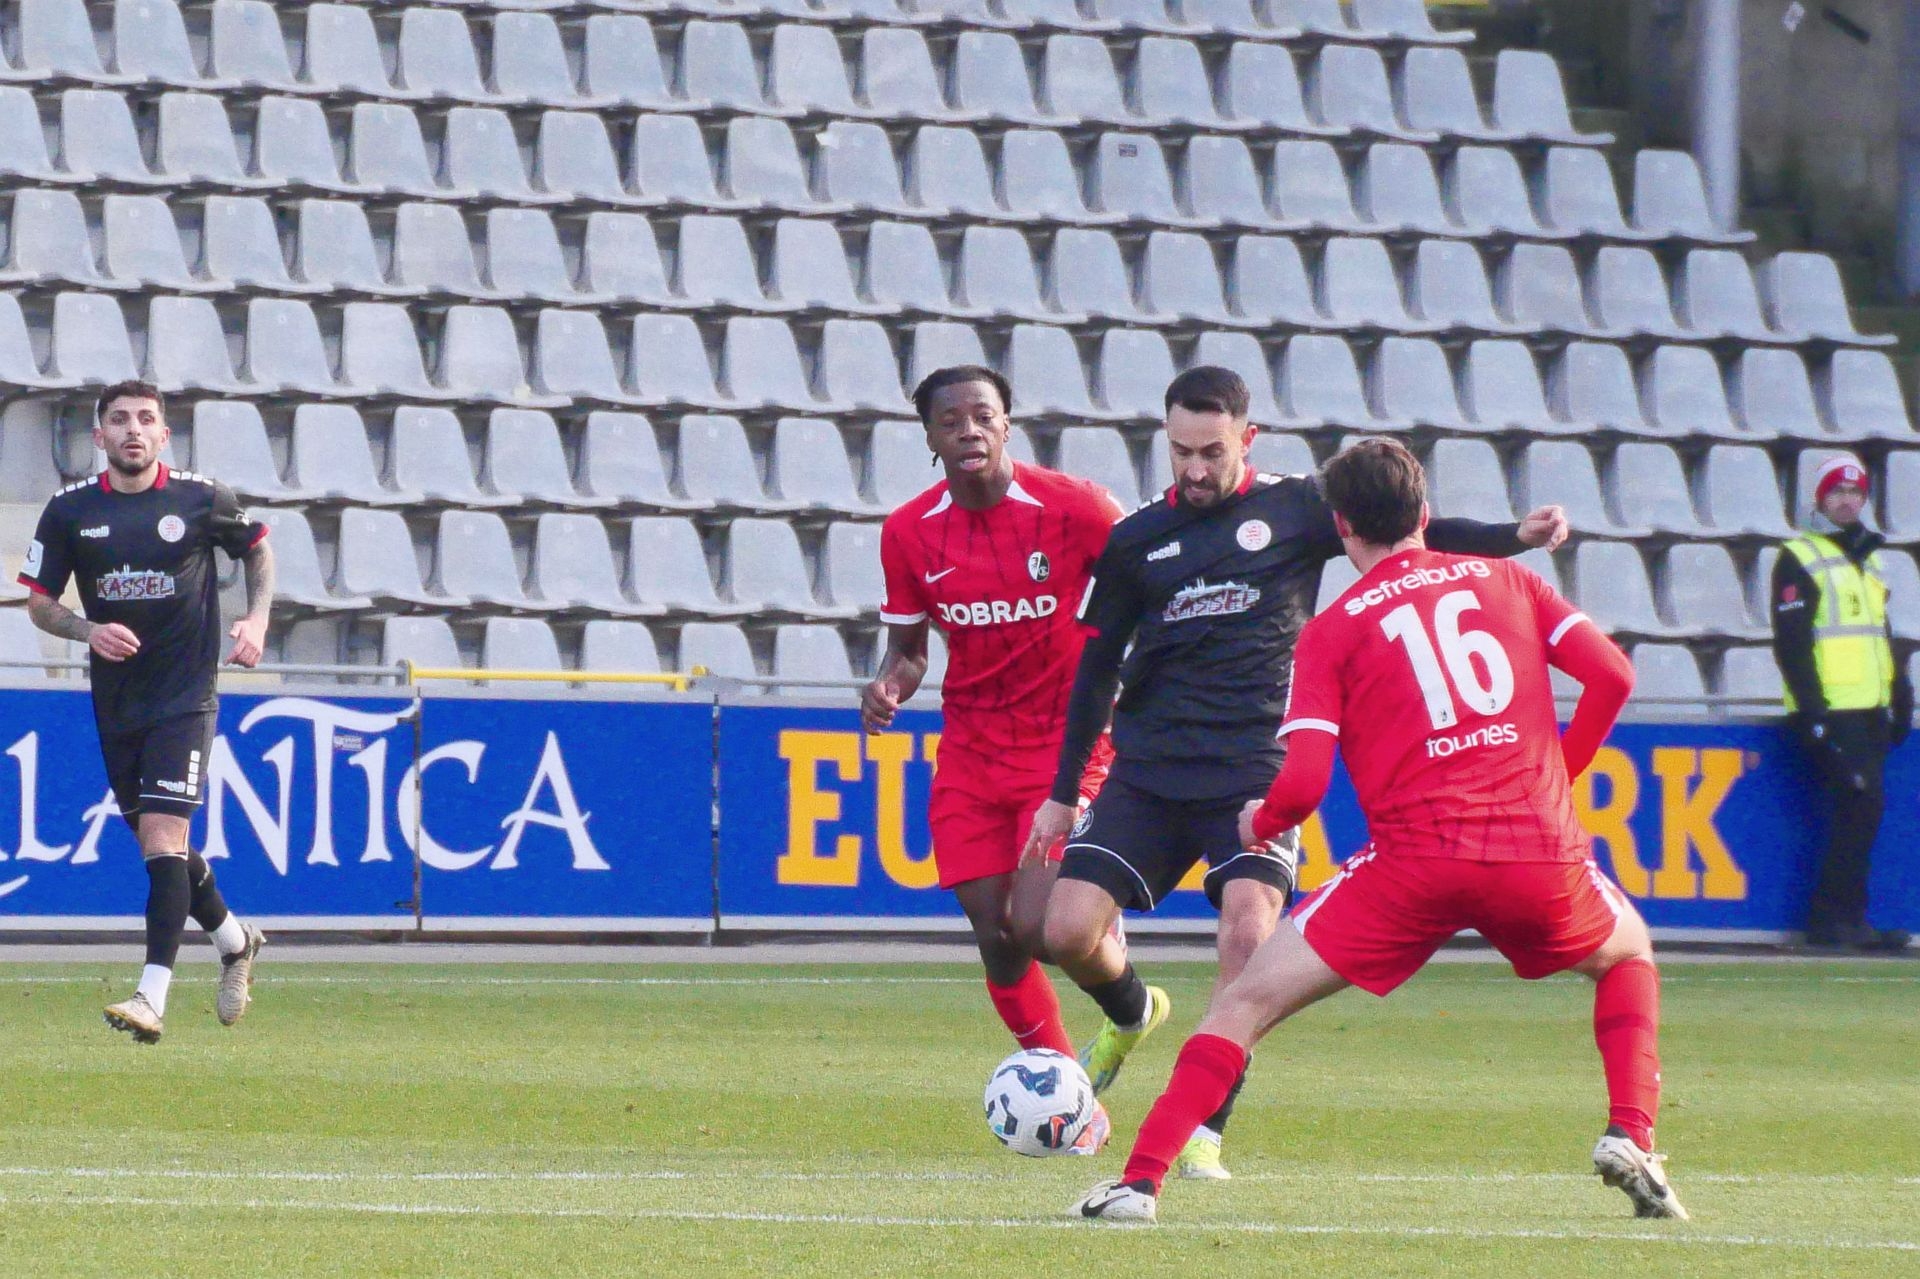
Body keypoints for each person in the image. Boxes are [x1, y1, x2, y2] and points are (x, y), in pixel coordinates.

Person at [1073, 438, 1683, 1225]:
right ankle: (1631, 1132)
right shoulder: (1510, 579)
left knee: (1244, 1000)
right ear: (1424, 510)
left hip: (1411, 867)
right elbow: (1614, 675)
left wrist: (1262, 820)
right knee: (1627, 953)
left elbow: (1303, 784)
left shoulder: (1331, 630)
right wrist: (1557, 775)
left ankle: (1139, 1182)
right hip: (1536, 849)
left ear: (1341, 524)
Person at [1025, 371, 1568, 1181]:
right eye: (1180, 451)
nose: (1195, 468)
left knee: (1248, 932)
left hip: (1254, 765)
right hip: (1150, 770)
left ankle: (1205, 1123)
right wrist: (1065, 792)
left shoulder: (1298, 508)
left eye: (1212, 451)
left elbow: (1410, 530)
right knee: (1065, 932)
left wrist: (1511, 536)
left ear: (1248, 440)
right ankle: (1133, 1012)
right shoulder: (1136, 539)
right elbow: (1096, 671)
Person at [860, 365, 1123, 1153]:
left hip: (1065, 742)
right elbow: (910, 651)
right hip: (973, 750)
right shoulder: (908, 532)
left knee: (1036, 926)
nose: (968, 430)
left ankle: (1128, 997)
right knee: (995, 933)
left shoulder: (1078, 508)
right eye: (951, 421)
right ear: (930, 437)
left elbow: (1145, 591)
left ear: (1007, 423)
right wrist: (889, 684)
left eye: (983, 415)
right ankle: (1074, 1102)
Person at [18, 381, 272, 1044]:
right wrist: (87, 629)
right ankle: (235, 940)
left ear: (164, 434)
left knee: (162, 839)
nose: (133, 429)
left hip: (185, 697)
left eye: (146, 419)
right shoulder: (69, 510)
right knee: (166, 850)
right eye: (120, 419)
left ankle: (150, 997)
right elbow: (40, 603)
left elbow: (257, 546)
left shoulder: (201, 497)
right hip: (118, 702)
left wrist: (257, 618)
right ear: (98, 435)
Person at [1772, 455, 1913, 952]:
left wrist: (1900, 694)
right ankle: (1833, 921)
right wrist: (1813, 713)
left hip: (1868, 708)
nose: (1847, 500)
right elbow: (1792, 642)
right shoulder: (1799, 555)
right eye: (1837, 492)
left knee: (1863, 812)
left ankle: (1847, 919)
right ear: (1820, 499)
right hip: (1832, 710)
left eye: (1855, 492)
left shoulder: (1868, 558)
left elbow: (1880, 635)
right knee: (1859, 805)